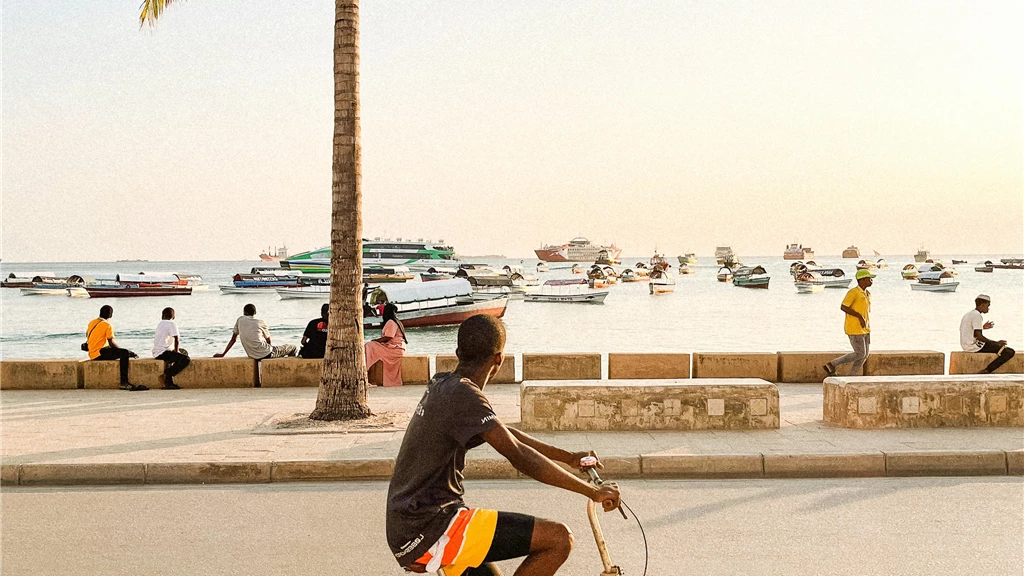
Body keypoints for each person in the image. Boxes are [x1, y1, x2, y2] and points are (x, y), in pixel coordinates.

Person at [386, 315, 620, 576]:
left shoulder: (444, 384)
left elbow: (505, 434)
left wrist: (568, 457)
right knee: (558, 539)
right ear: (499, 359)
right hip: (433, 527)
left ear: (458, 352)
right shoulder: (465, 395)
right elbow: (518, 455)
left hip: (410, 526)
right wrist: (592, 491)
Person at [824, 269, 875, 377]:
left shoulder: (867, 294)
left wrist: (864, 320)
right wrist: (859, 317)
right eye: (869, 279)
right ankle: (832, 364)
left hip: (865, 328)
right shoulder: (853, 292)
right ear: (862, 280)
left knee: (865, 355)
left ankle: (852, 376)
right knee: (860, 353)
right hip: (854, 328)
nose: (871, 281)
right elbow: (844, 307)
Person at [86, 305, 147, 391]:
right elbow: (111, 343)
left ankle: (124, 381)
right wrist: (126, 351)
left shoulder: (92, 322)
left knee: (122, 352)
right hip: (100, 353)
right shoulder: (107, 325)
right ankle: (124, 382)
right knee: (124, 353)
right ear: (110, 315)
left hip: (92, 353)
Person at [214, 303, 296, 359]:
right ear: (255, 312)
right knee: (293, 347)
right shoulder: (260, 322)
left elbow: (233, 340)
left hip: (252, 355)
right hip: (266, 352)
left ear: (244, 312)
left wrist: (223, 354)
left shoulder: (240, 320)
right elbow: (268, 341)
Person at [960, 294, 1016, 373]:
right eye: (987, 306)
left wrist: (982, 327)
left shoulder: (969, 314)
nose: (988, 308)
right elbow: (979, 337)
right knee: (1009, 352)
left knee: (1001, 348)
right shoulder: (977, 315)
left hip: (966, 345)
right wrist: (996, 343)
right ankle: (987, 370)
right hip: (974, 346)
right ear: (982, 305)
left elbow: (971, 331)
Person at [365, 303, 407, 387]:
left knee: (369, 346)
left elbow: (388, 337)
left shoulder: (391, 322)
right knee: (370, 346)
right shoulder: (396, 321)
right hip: (397, 348)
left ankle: (365, 373)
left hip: (394, 349)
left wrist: (376, 340)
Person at [153, 307, 190, 390]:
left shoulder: (160, 324)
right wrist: (176, 352)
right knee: (185, 359)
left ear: (162, 316)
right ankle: (167, 374)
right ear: (173, 317)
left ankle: (169, 382)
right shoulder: (171, 324)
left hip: (157, 352)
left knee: (173, 359)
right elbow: (177, 339)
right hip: (163, 352)